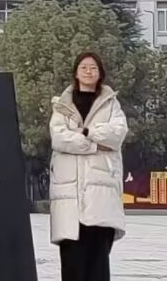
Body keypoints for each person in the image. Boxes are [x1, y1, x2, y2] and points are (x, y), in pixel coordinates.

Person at [49, 51, 127, 281]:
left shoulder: (111, 104)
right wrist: (94, 145)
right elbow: (59, 139)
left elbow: (117, 134)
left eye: (93, 68)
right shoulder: (62, 106)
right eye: (83, 67)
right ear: (76, 72)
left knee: (98, 262)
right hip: (69, 195)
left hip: (100, 193)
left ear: (100, 73)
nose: (88, 71)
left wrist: (86, 131)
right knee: (72, 261)